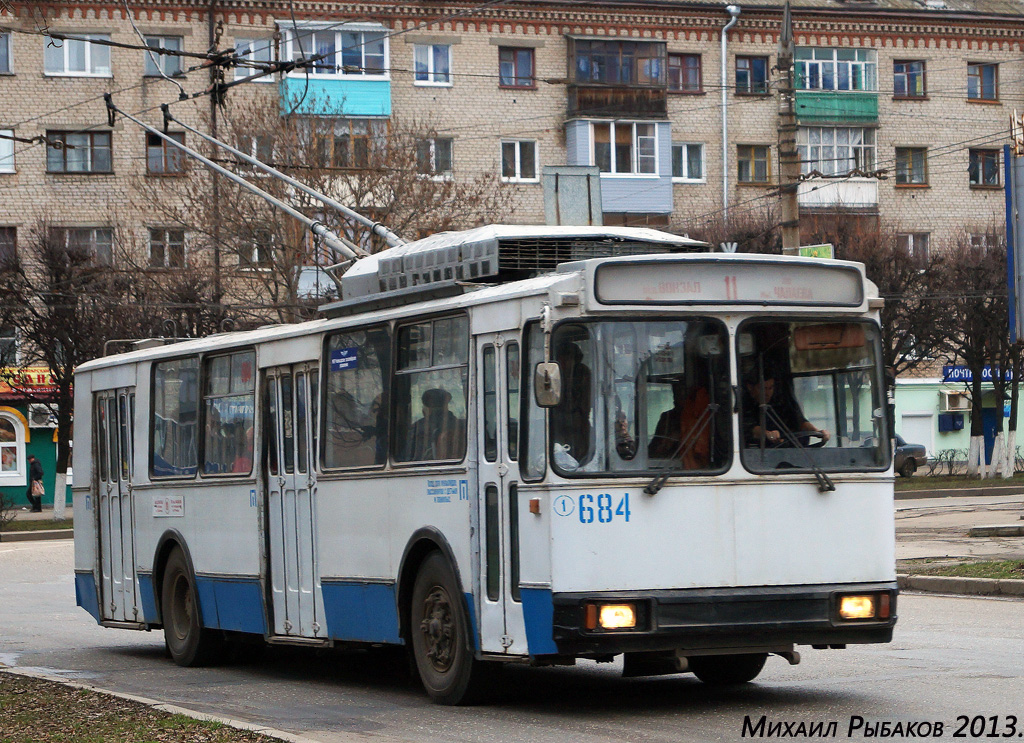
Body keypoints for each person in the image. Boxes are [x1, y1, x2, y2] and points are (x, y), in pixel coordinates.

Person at [742, 371, 829, 446]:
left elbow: (799, 421)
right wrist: (768, 434)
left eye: (770, 388)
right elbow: (751, 428)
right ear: (750, 387)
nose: (767, 393)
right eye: (763, 388)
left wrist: (818, 432)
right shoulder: (743, 404)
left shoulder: (779, 402)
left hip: (788, 452)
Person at [647, 380, 712, 468]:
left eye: (682, 393)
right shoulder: (667, 417)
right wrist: (668, 440)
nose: (677, 397)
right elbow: (654, 450)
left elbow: (701, 449)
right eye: (676, 393)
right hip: (667, 466)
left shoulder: (700, 416)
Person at [409, 388, 465, 460]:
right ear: (446, 405)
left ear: (426, 407)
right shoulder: (460, 425)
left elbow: (411, 457)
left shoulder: (418, 428)